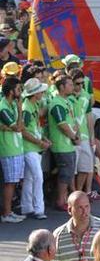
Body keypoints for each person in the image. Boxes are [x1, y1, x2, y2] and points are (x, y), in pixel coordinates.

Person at [47, 72, 79, 212]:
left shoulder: (66, 101)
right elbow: (62, 124)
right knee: (65, 174)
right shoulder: (57, 103)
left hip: (68, 145)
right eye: (70, 84)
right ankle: (60, 201)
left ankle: (66, 198)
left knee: (68, 173)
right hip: (62, 145)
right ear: (61, 87)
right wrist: (74, 136)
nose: (73, 87)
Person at [20, 78, 50, 220]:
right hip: (29, 148)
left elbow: (34, 128)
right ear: (35, 93)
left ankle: (27, 207)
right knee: (38, 177)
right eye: (40, 91)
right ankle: (39, 209)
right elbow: (23, 131)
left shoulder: (33, 105)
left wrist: (43, 139)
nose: (43, 92)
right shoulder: (27, 108)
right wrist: (40, 142)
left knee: (30, 179)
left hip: (34, 147)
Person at [0, 76, 25, 223]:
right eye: (18, 89)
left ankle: (9, 211)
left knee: (14, 182)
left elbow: (19, 128)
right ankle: (6, 213)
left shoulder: (12, 105)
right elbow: (18, 127)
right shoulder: (3, 107)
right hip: (8, 150)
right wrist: (21, 110)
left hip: (16, 148)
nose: (20, 91)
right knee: (10, 183)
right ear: (10, 91)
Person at [68, 69, 96, 195]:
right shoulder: (66, 97)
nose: (80, 86)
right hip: (70, 138)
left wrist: (92, 136)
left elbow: (89, 115)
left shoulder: (86, 95)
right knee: (72, 170)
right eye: (77, 83)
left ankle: (79, 193)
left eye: (81, 83)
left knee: (85, 167)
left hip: (84, 136)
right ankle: (73, 194)